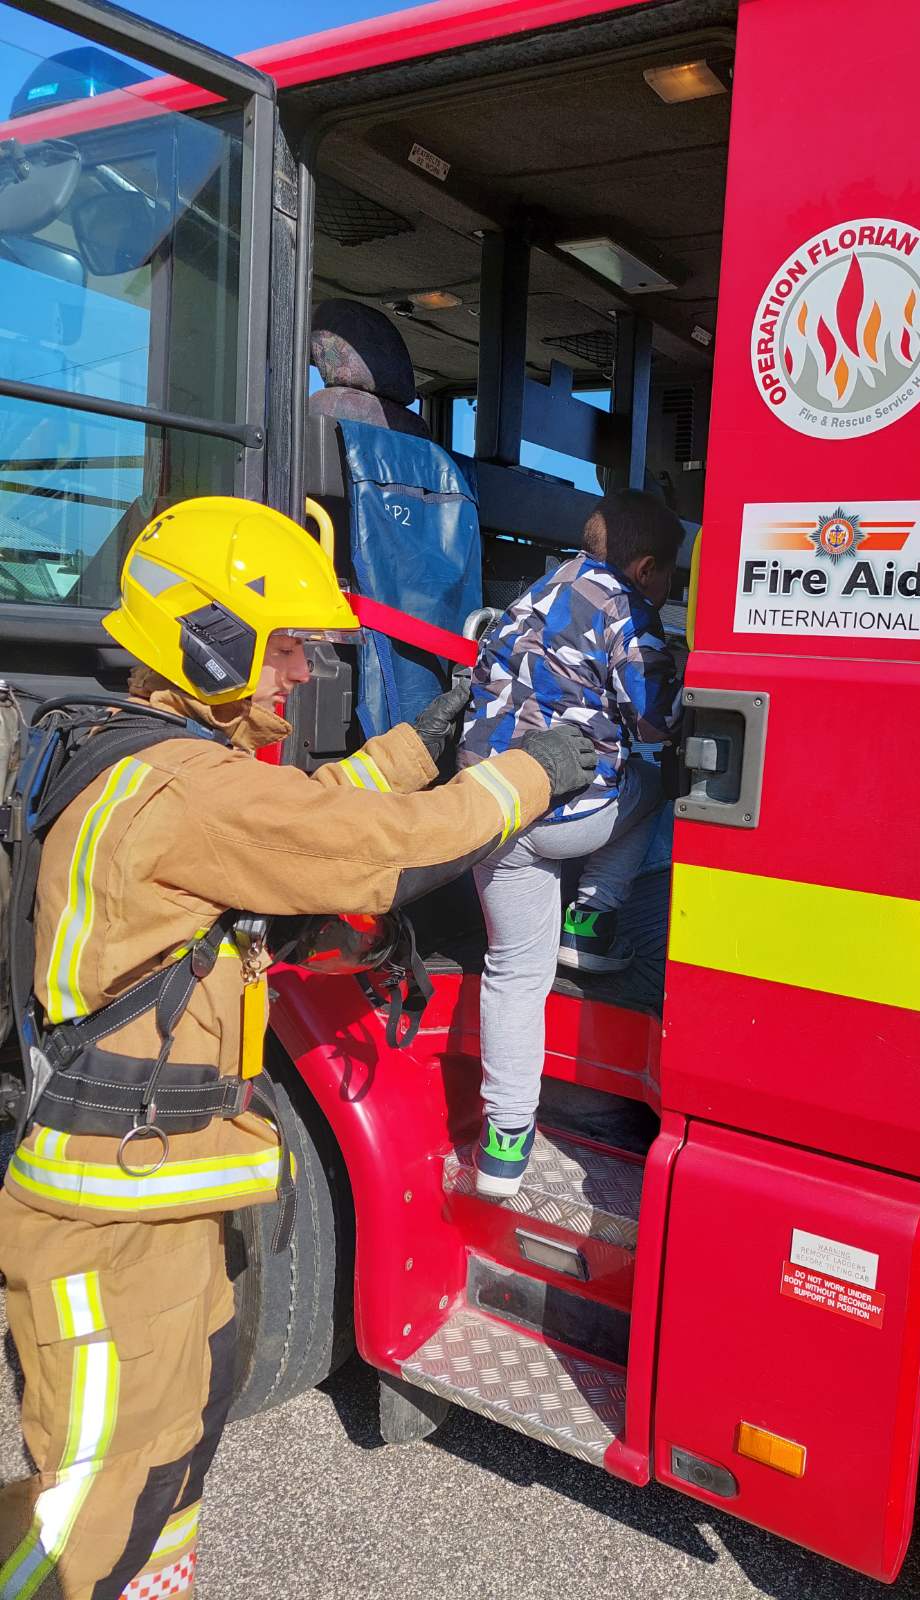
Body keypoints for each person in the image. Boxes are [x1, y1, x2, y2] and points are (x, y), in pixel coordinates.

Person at [0, 496, 594, 1600]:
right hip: (114, 1219)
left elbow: (311, 804)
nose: (301, 675)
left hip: (147, 1194)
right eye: (283, 648)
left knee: (167, 1459)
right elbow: (374, 843)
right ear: (209, 639)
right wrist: (532, 772)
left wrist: (430, 737)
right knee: (87, 1518)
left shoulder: (151, 757)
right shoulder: (184, 788)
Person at [458, 489, 685, 1198]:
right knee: (656, 782)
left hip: (491, 809)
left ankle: (503, 1148)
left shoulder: (534, 592)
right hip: (565, 816)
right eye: (671, 576)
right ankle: (592, 919)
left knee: (513, 975)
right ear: (646, 568)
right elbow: (655, 723)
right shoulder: (629, 611)